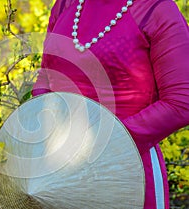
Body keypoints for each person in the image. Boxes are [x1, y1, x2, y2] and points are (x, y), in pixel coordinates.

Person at [32, 0, 189, 208]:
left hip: (127, 170)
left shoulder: (156, 8)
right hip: (61, 170)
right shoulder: (65, 4)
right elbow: (47, 74)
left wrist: (100, 144)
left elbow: (181, 102)